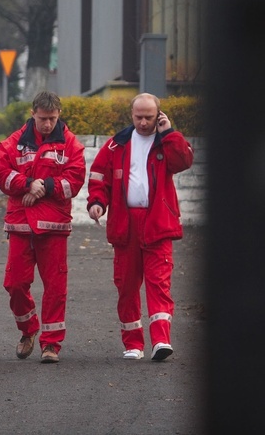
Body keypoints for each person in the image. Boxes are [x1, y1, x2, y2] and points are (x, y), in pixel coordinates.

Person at [86, 93, 194, 361]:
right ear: (131, 115)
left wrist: (169, 133)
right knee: (126, 285)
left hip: (157, 222)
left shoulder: (165, 142)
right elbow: (99, 176)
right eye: (139, 117)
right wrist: (97, 202)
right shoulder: (115, 145)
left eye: (149, 117)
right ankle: (133, 344)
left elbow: (183, 161)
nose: (144, 122)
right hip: (125, 224)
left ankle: (161, 340)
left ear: (159, 115)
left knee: (159, 283)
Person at [0, 90, 86, 363]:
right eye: (43, 119)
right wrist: (26, 184)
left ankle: (52, 344)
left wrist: (43, 186)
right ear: (33, 114)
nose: (48, 124)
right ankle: (29, 328)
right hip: (21, 225)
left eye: (53, 119)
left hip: (54, 226)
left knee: (56, 287)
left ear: (59, 115)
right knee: (15, 284)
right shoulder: (13, 143)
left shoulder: (70, 145)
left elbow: (75, 181)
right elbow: (0, 173)